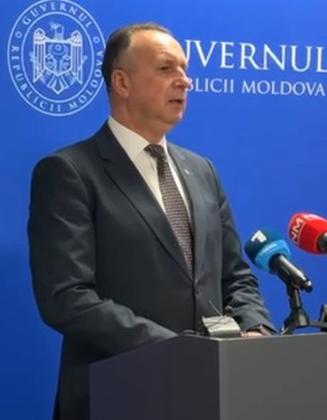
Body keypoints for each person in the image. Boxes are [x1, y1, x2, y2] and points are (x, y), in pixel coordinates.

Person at [28, 23, 274, 420]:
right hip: (116, 396)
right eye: (165, 68)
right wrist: (176, 350)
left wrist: (256, 328)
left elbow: (235, 275)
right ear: (121, 82)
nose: (184, 81)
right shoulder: (70, 172)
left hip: (210, 395)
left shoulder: (202, 170)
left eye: (185, 69)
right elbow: (67, 297)